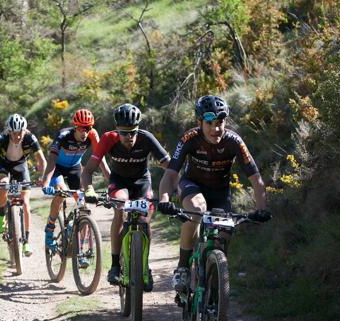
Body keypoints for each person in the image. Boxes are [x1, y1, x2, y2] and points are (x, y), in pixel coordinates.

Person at [157, 95, 272, 292]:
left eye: (220, 123)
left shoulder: (234, 141)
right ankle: (183, 268)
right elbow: (169, 176)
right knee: (196, 210)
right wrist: (165, 199)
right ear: (199, 122)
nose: (215, 129)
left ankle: (215, 288)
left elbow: (256, 179)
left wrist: (261, 209)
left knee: (225, 235)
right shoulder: (189, 139)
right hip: (192, 185)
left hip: (220, 192)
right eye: (209, 123)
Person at [81, 103, 170, 291]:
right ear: (117, 130)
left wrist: (175, 185)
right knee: (120, 208)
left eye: (132, 132)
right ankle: (115, 265)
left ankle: (144, 267)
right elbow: (88, 170)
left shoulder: (146, 138)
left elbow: (169, 165)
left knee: (145, 220)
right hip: (119, 181)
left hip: (141, 182)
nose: (129, 137)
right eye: (124, 133)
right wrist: (89, 190)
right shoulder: (108, 139)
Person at [40, 109, 110, 259]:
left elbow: (101, 160)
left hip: (74, 168)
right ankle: (50, 227)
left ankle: (81, 250)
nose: (85, 132)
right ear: (75, 126)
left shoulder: (92, 135)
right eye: (81, 128)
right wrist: (45, 182)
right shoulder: (64, 135)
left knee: (83, 206)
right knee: (61, 191)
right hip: (58, 168)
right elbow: (51, 160)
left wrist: (112, 182)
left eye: (88, 128)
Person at [0, 113, 47, 256]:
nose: (17, 136)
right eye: (14, 133)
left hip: (21, 166)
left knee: (26, 203)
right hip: (3, 165)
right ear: (9, 131)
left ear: (25, 130)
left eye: (20, 133)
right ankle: (1, 214)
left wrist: (43, 178)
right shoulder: (1, 138)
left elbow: (41, 161)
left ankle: (26, 242)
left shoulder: (30, 138)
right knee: (4, 185)